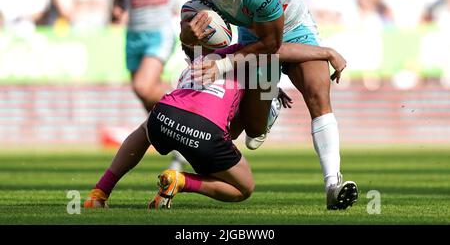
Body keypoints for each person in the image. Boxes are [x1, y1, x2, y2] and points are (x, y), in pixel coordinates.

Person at [180, 0, 358, 210]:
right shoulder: (201, 0)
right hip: (254, 39)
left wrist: (222, 65)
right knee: (251, 133)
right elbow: (193, 52)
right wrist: (188, 36)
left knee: (317, 90)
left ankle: (333, 184)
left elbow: (272, 47)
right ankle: (269, 101)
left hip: (293, 31)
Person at [84, 38, 348, 209]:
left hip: (165, 113)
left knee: (144, 129)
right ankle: (181, 181)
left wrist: (268, 87)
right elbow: (279, 51)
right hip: (205, 133)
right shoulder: (238, 53)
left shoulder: (195, 63)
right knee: (243, 188)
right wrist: (327, 52)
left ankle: (100, 192)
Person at [112, 0, 189, 170]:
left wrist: (204, 3)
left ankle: (188, 111)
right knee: (146, 98)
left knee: (143, 86)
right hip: (133, 35)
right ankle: (180, 139)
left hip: (159, 32)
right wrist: (116, 8)